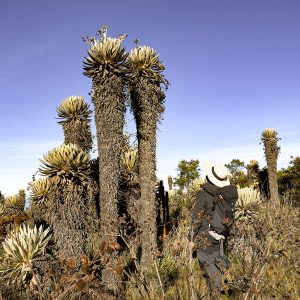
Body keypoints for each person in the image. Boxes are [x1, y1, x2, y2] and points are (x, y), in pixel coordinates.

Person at [189, 162, 238, 299]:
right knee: (216, 266)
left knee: (209, 268)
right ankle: (217, 292)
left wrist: (191, 239)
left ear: (209, 177)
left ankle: (215, 295)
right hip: (220, 236)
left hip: (204, 236)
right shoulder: (225, 195)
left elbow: (196, 218)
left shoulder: (203, 195)